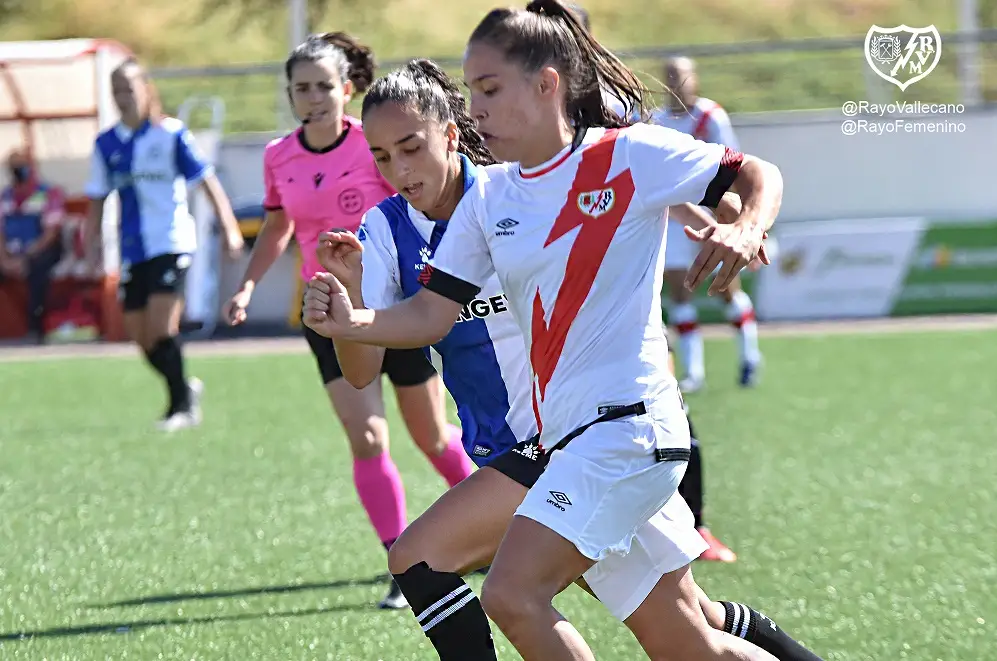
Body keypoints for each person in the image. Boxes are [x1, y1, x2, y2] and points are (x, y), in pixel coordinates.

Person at [300, 1, 792, 658]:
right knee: (689, 643)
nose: (476, 108)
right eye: (471, 90)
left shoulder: (626, 155)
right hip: (567, 443)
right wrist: (352, 316)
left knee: (502, 589)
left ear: (546, 84)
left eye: (489, 90)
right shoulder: (491, 198)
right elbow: (428, 315)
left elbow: (753, 173)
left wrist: (747, 222)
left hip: (621, 432)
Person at [221, 33, 475, 610]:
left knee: (433, 436)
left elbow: (417, 207)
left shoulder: (374, 146)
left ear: (346, 89)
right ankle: (400, 561)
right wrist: (248, 284)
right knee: (366, 438)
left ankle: (499, 524)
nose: (311, 98)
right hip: (328, 314)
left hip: (391, 307)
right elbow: (280, 227)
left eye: (321, 86)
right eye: (300, 88)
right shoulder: (277, 155)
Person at [569, 0, 737, 564]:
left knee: (667, 415)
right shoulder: (512, 115)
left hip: (620, 290)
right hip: (544, 297)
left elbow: (659, 179)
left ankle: (697, 528)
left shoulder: (613, 112)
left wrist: (710, 220)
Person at [84, 57, 245, 431]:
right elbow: (96, 198)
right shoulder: (107, 144)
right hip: (132, 249)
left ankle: (181, 408)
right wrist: (90, 244)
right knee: (140, 338)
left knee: (160, 327)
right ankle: (184, 386)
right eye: (117, 91)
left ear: (146, 89)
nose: (124, 97)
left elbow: (206, 181)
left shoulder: (170, 134)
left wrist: (230, 227)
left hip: (171, 242)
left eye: (129, 88)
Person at [649, 56, 763, 392]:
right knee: (680, 293)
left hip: (712, 215)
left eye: (681, 76)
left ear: (694, 79)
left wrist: (739, 219)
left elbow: (735, 167)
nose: (675, 82)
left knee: (727, 290)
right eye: (669, 76)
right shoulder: (655, 122)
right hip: (673, 217)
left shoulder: (710, 117)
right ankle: (693, 373)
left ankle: (749, 357)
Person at [0, 148, 65, 343]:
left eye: (21, 166)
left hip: (41, 249)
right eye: (13, 167)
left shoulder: (49, 193)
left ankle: (35, 330)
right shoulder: (6, 196)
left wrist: (25, 257)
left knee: (39, 270)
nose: (17, 171)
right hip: (11, 252)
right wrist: (4, 259)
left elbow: (50, 234)